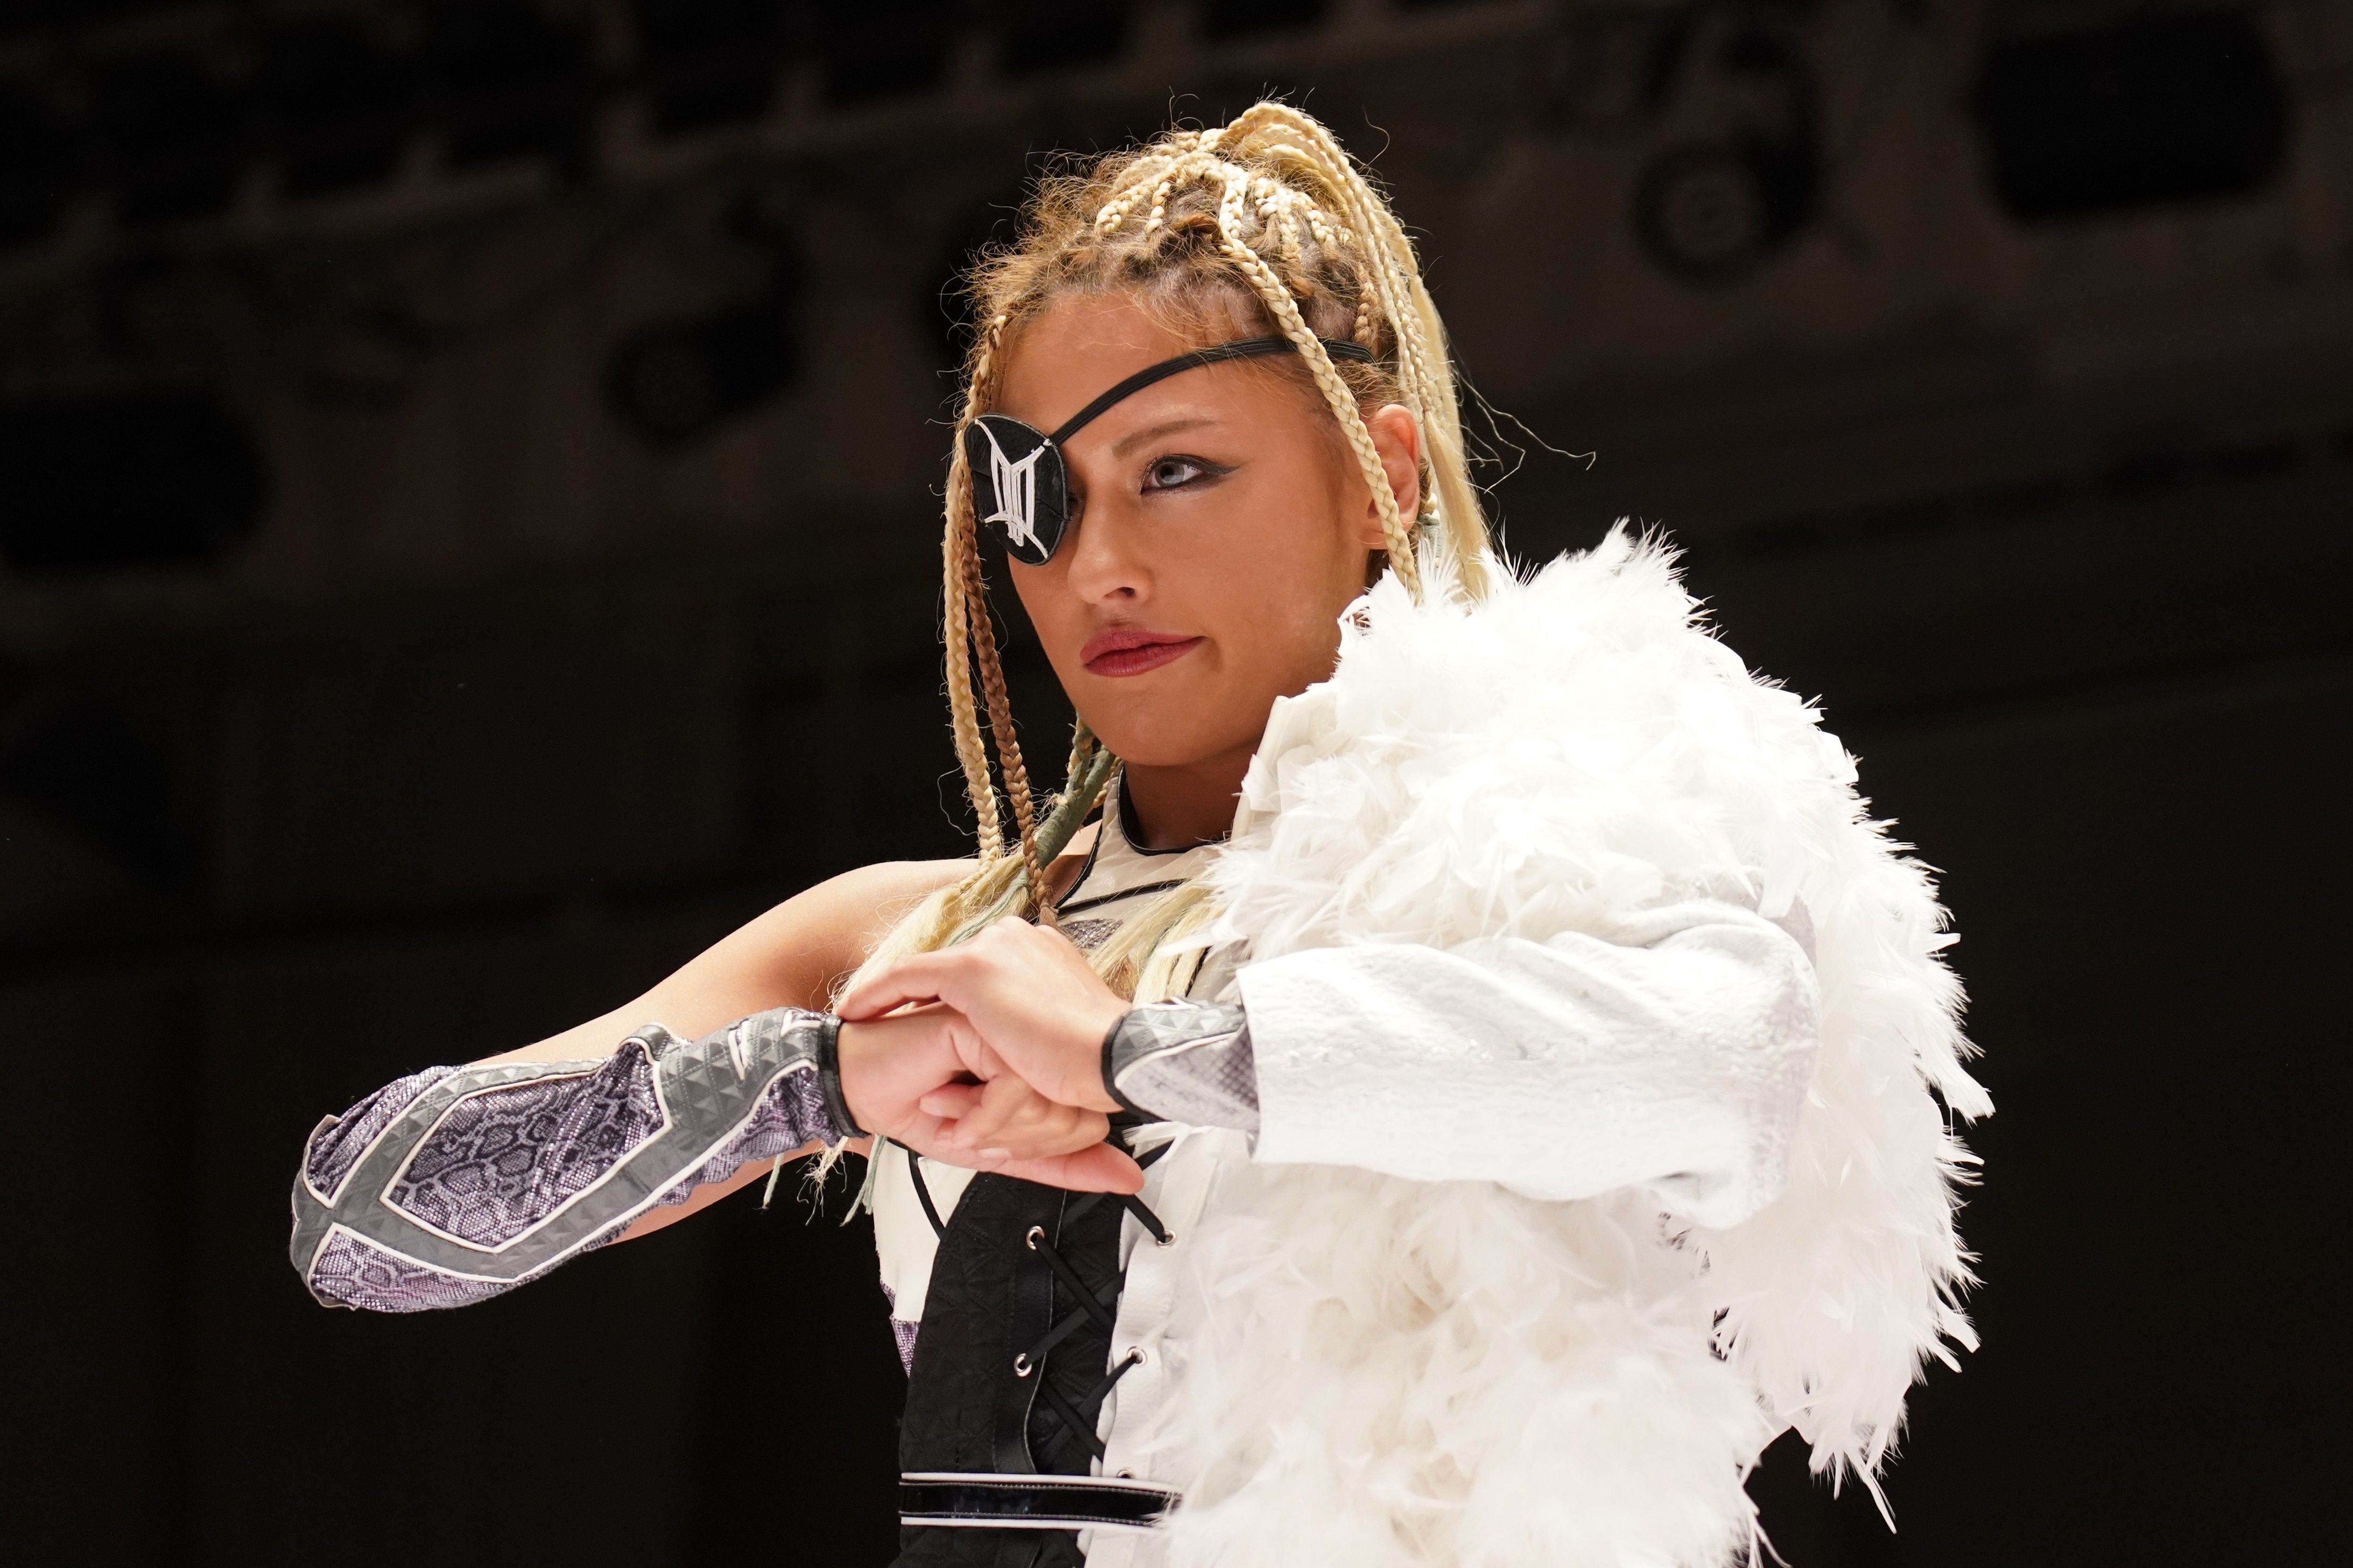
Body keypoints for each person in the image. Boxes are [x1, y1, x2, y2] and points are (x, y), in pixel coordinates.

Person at [289, 103, 1988, 1568]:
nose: (1095, 565)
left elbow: (1726, 1063)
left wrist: (1136, 1052)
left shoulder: (1561, 823)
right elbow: (355, 1226)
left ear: (1384, 475)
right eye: (1039, 496)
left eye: (1174, 471)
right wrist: (813, 1081)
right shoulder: (921, 947)